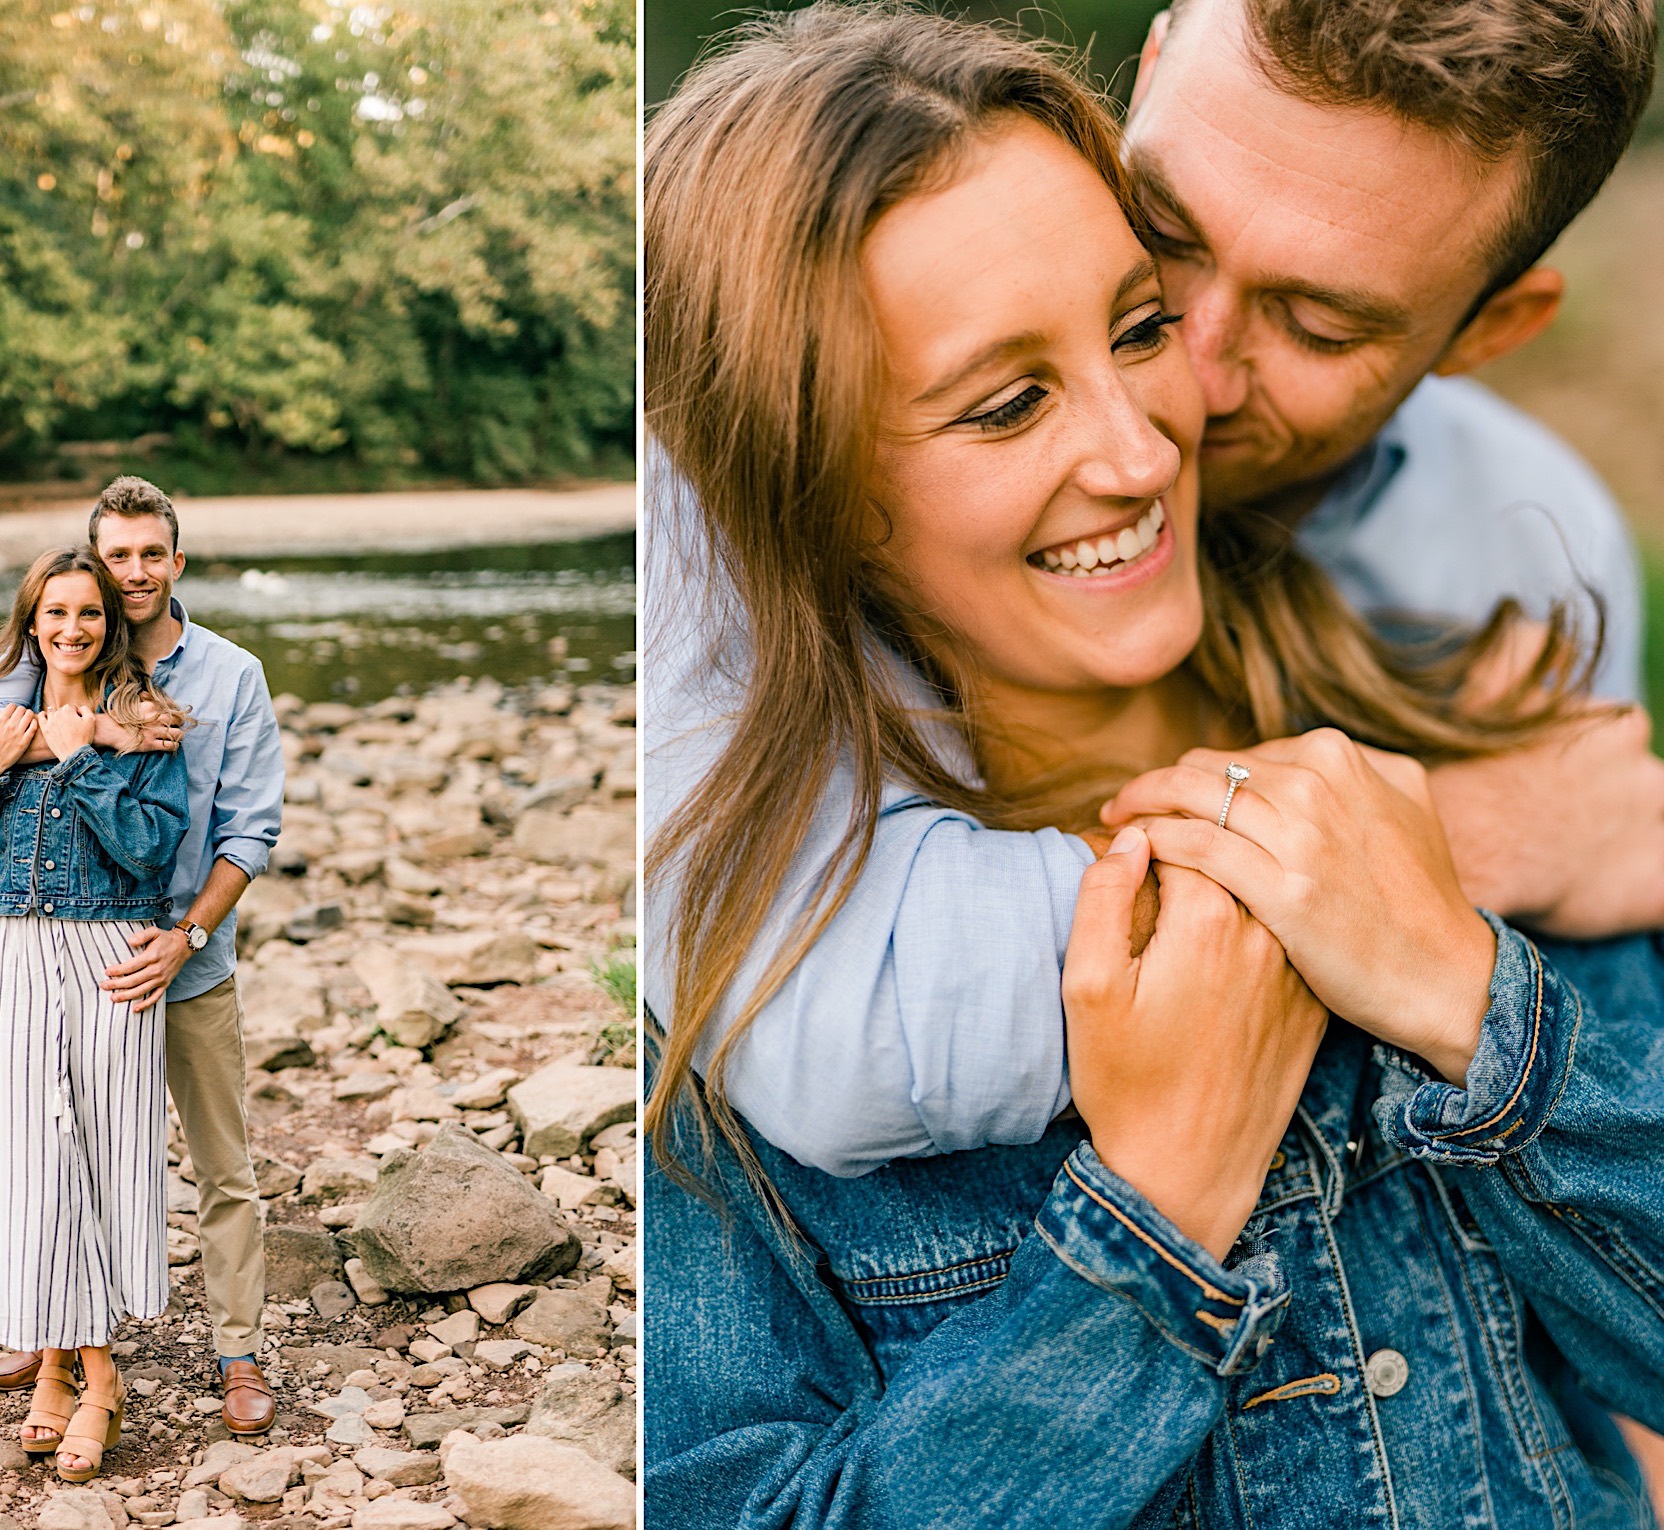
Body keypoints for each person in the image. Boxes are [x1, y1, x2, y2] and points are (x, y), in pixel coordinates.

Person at [642, 8, 1664, 1523]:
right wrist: (1155, 1233)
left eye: (1131, 323)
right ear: (815, 477)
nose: (1156, 424)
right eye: (1006, 400)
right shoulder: (746, 954)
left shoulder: (1475, 662)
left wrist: (1467, 993)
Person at [0, 477, 287, 1436]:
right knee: (62, 1144)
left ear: (177, 563)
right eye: (119, 557)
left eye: (152, 555)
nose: (135, 573)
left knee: (221, 1166)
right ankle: (54, 1341)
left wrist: (185, 939)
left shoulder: (230, 676)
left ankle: (238, 1354)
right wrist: (99, 727)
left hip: (187, 953)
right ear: (97, 564)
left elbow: (248, 832)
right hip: (80, 955)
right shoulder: (63, 647)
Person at [0, 546, 190, 1482]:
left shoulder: (147, 722)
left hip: (108, 950)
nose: (72, 628)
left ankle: (91, 1375)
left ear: (108, 623)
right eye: (55, 613)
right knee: (29, 1156)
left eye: (88, 613)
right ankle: (62, 1364)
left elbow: (150, 852)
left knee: (99, 1154)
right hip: (11, 952)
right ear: (30, 622)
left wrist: (83, 758)